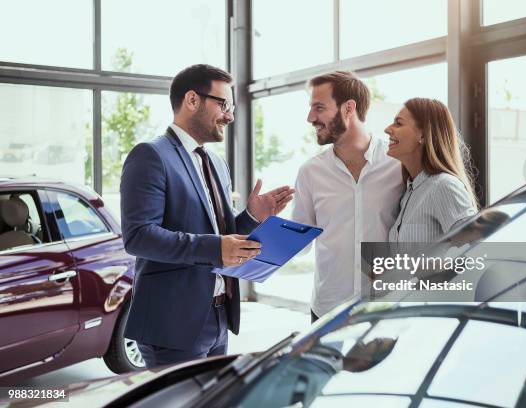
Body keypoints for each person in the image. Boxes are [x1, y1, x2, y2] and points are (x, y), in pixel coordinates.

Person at [120, 64, 294, 368]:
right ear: (192, 100)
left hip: (217, 316)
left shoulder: (215, 162)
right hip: (172, 324)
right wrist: (215, 248)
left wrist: (252, 216)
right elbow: (139, 236)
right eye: (223, 104)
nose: (230, 115)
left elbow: (220, 235)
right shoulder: (150, 155)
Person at [292, 71, 404, 323]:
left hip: (386, 308)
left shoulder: (398, 164)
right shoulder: (310, 172)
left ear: (348, 108)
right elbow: (299, 243)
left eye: (319, 108)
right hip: (327, 310)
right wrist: (262, 224)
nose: (310, 118)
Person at [385, 97, 478, 247]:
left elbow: (474, 251)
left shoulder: (444, 186)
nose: (387, 129)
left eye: (398, 123)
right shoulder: (410, 191)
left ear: (423, 134)